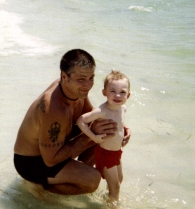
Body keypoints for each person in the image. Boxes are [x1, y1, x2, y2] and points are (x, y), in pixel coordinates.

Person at [13, 49, 131, 195]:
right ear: (64, 76)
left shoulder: (75, 90)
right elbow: (51, 160)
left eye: (91, 78)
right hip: (33, 162)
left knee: (105, 133)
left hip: (57, 146)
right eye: (81, 79)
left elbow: (91, 114)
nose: (87, 85)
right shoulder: (53, 108)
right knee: (92, 179)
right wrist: (91, 134)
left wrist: (118, 126)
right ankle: (40, 190)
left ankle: (75, 173)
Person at [76, 70, 130, 204]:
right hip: (105, 154)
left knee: (119, 180)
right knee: (116, 187)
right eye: (112, 91)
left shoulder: (122, 108)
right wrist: (93, 137)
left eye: (122, 92)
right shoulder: (102, 111)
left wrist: (127, 130)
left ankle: (107, 199)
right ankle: (112, 204)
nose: (117, 95)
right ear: (104, 92)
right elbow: (81, 120)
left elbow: (120, 123)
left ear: (128, 95)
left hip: (117, 152)